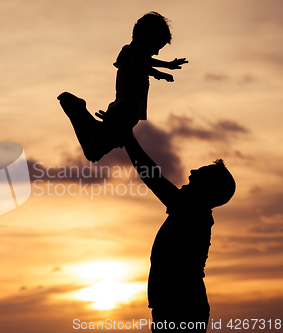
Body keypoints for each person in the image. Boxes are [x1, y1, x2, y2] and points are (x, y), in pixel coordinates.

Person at [118, 123, 236, 332]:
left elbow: (152, 177)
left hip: (181, 308)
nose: (191, 171)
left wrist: (127, 137)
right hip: (176, 306)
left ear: (206, 188)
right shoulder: (194, 213)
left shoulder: (193, 212)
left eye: (200, 173)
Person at [58, 12, 187, 162]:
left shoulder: (134, 53)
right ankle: (80, 111)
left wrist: (168, 65)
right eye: (155, 48)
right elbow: (141, 65)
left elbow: (146, 61)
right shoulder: (129, 54)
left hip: (126, 109)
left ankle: (82, 114)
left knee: (94, 153)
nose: (156, 52)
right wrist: (160, 74)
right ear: (146, 39)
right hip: (125, 109)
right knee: (97, 148)